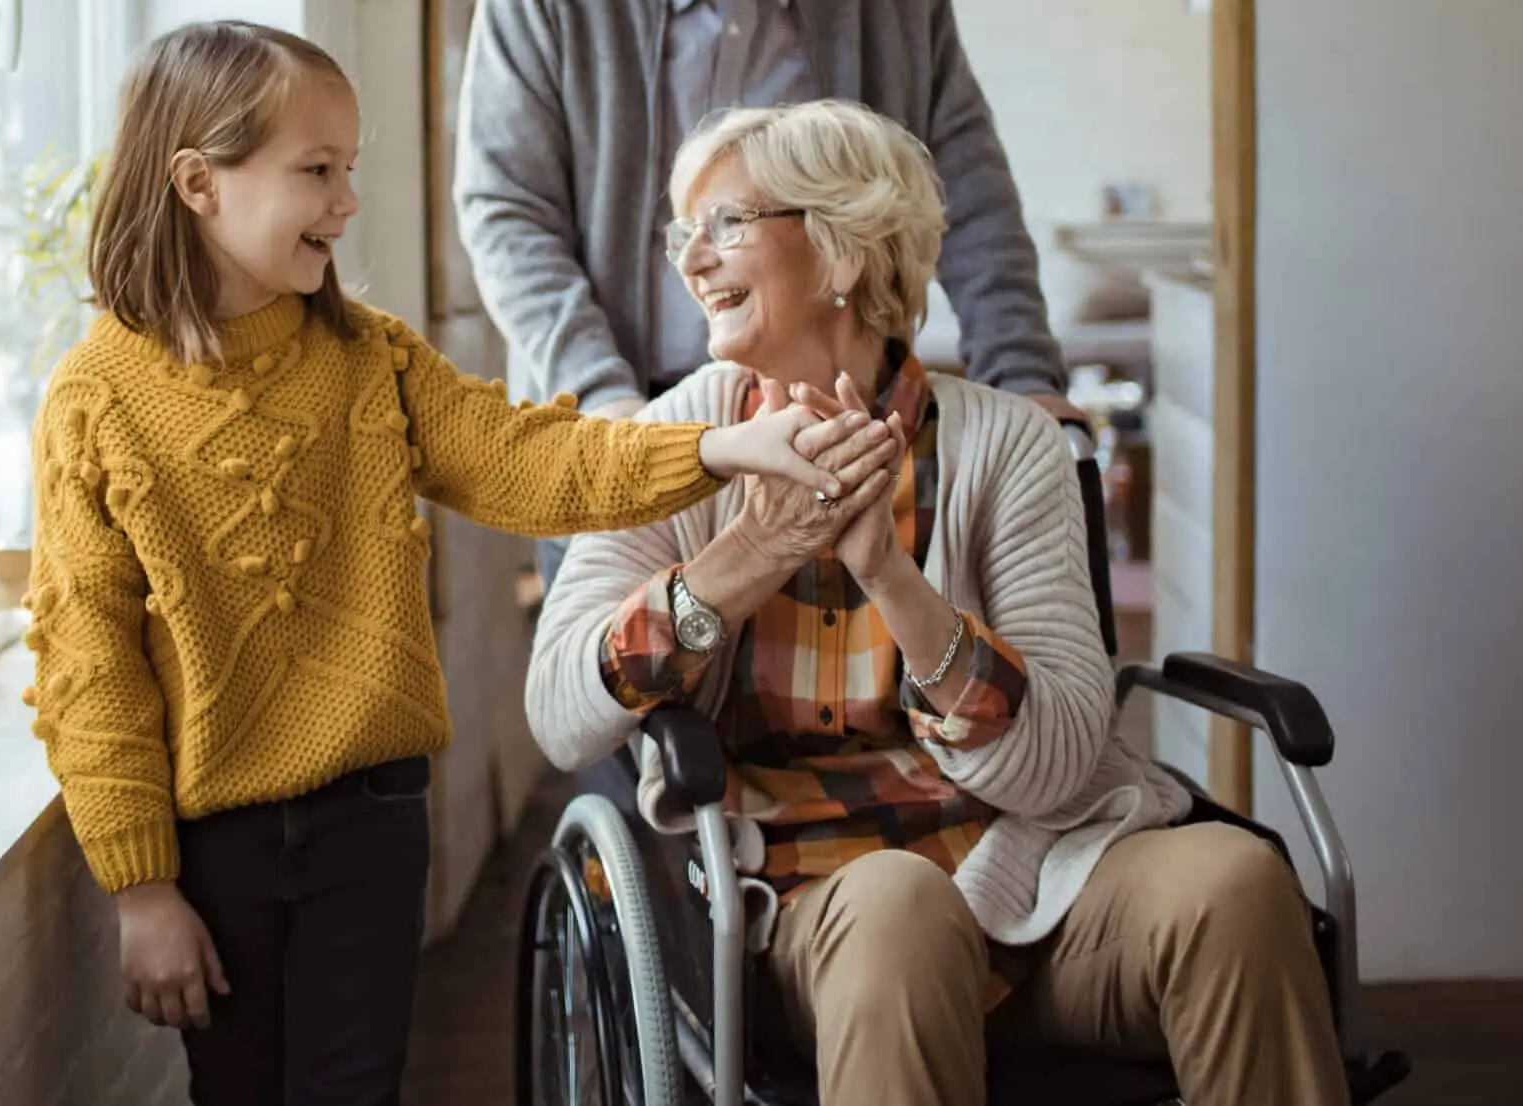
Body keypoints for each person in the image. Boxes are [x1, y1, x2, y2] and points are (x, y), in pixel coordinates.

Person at [20, 21, 893, 1106]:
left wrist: (718, 444)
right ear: (199, 181)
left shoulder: (370, 358)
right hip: (214, 843)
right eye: (317, 170)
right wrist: (142, 886)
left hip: (373, 822)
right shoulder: (93, 400)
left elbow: (537, 461)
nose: (346, 201)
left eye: (350, 169)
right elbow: (88, 660)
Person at [526, 99, 1349, 1106]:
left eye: (726, 223)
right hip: (813, 915)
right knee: (900, 902)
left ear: (840, 250)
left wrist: (891, 576)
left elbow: (1053, 764)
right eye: (682, 232)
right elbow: (561, 711)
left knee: (1236, 882)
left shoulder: (1010, 448)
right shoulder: (664, 447)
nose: (691, 261)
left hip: (1039, 872)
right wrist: (750, 552)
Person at [455, 0, 1075, 584]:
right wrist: (605, 403)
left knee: (841, 697)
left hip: (841, 428)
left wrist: (1022, 373)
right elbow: (507, 214)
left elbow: (963, 187)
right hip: (625, 416)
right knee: (633, 691)